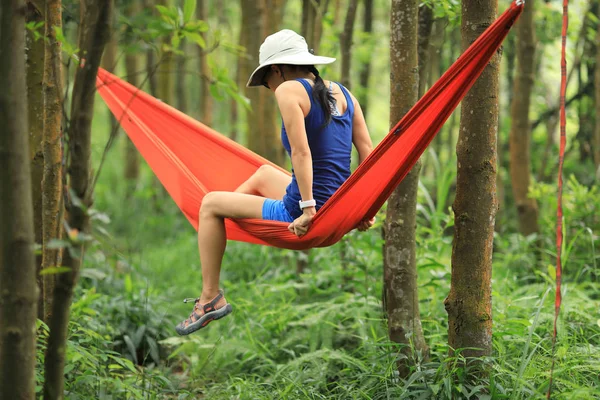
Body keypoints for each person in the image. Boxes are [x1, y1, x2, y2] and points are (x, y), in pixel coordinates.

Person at [176, 29, 375, 335]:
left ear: (277, 70)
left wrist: (307, 209)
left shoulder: (288, 91)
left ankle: (209, 297)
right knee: (264, 174)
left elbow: (301, 151)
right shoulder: (345, 94)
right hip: (340, 209)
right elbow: (369, 155)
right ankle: (228, 225)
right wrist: (365, 209)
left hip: (300, 211)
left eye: (266, 81)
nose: (269, 89)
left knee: (209, 203)